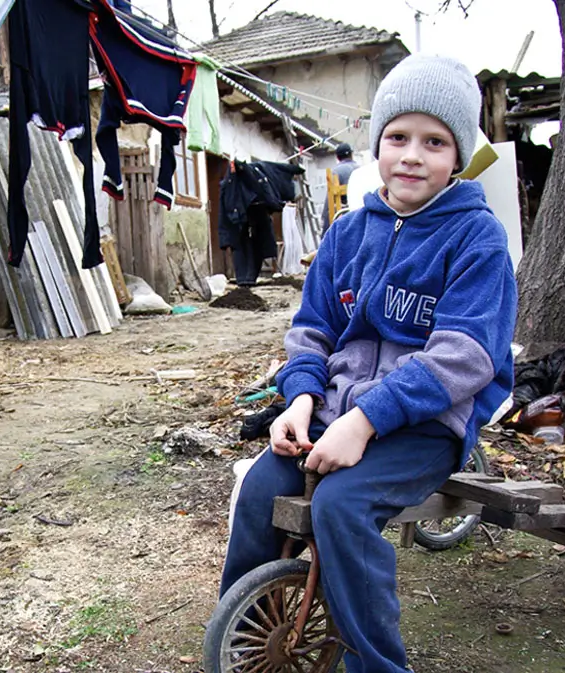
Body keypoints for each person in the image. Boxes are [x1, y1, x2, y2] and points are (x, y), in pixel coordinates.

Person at [216, 54, 518, 672]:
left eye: (434, 142)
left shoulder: (475, 238)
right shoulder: (348, 233)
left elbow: (465, 357)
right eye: (398, 137)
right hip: (336, 410)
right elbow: (312, 328)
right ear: (376, 144)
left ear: (457, 156)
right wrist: (300, 400)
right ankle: (248, 639)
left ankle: (377, 664)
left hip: (426, 424)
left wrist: (366, 422)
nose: (412, 155)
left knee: (341, 506)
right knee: (259, 488)